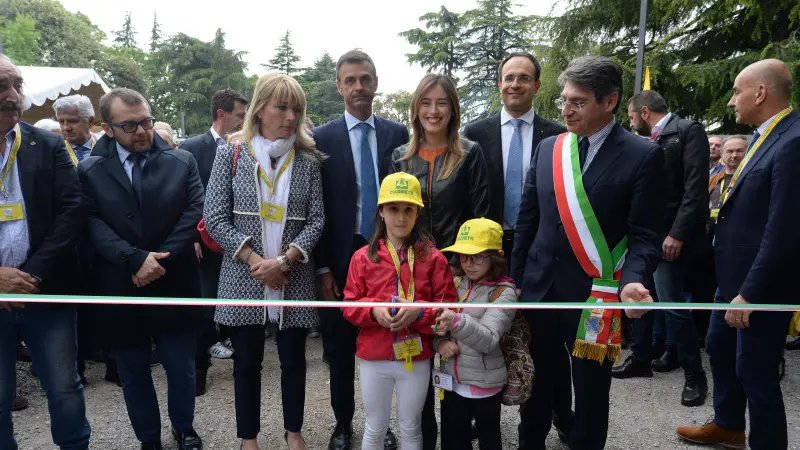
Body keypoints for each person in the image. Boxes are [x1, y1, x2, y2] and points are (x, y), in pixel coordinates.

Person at [512, 56, 664, 450]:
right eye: (564, 100)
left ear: (610, 100)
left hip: (596, 295)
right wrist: (513, 283)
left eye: (578, 102)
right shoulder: (549, 148)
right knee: (536, 387)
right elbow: (528, 221)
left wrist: (633, 280)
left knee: (592, 394)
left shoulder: (642, 155)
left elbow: (645, 235)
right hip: (541, 290)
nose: (565, 109)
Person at [676, 59, 799, 450]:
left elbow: (784, 230)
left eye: (736, 92)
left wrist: (751, 293)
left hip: (759, 286)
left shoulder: (794, 141)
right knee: (719, 347)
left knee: (756, 372)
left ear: (760, 92)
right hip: (731, 281)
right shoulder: (767, 136)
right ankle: (729, 426)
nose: (732, 102)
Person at [79, 87, 205, 450]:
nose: (142, 132)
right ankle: (148, 438)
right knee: (133, 371)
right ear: (108, 128)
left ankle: (184, 428)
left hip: (174, 280)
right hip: (121, 283)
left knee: (180, 367)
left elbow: (193, 211)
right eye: (130, 125)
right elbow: (90, 221)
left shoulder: (182, 162)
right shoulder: (89, 170)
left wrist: (157, 260)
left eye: (146, 122)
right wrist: (134, 258)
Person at [204, 74, 325, 450]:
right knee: (246, 364)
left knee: (294, 362)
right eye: (282, 107)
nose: (291, 116)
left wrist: (286, 260)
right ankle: (248, 439)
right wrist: (257, 260)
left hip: (294, 276)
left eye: (297, 109)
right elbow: (215, 217)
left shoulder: (306, 158)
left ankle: (294, 432)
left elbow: (318, 218)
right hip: (244, 274)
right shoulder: (231, 152)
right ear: (260, 108)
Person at [462, 51, 573, 445]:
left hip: (540, 249)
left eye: (524, 78)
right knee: (483, 331)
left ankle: (554, 417)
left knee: (543, 337)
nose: (515, 84)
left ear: (537, 86)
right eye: (508, 77)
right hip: (484, 248)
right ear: (499, 84)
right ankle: (482, 413)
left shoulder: (559, 135)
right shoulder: (474, 132)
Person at [312, 49, 409, 450]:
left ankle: (380, 425)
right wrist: (322, 269)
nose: (358, 87)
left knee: (383, 345)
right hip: (338, 253)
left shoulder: (398, 134)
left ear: (375, 82)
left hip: (387, 251)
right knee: (339, 348)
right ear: (339, 86)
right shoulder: (320, 138)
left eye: (365, 79)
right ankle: (342, 423)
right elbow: (312, 205)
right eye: (350, 80)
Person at [0, 56, 90, 450]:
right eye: (3, 86)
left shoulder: (47, 143)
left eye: (17, 85)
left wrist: (30, 274)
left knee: (64, 388)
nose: (13, 96)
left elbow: (72, 211)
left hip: (44, 292)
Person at [341, 171, 457, 450]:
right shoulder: (362, 257)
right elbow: (348, 304)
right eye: (393, 209)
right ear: (381, 210)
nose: (401, 217)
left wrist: (420, 313)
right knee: (375, 426)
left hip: (416, 356)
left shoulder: (434, 258)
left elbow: (449, 307)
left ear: (418, 213)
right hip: (373, 356)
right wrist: (372, 311)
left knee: (410, 426)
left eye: (408, 209)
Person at [615, 90, 709, 407]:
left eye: (629, 117)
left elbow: (695, 188)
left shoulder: (686, 131)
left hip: (672, 236)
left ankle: (696, 376)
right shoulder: (646, 141)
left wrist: (677, 233)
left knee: (672, 305)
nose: (629, 124)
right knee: (642, 295)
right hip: (647, 236)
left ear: (644, 111)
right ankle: (642, 358)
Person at [180, 89, 249, 395]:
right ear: (222, 114)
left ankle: (242, 366)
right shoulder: (193, 147)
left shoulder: (247, 146)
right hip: (205, 244)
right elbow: (186, 195)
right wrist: (193, 236)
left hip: (242, 245)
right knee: (206, 307)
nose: (245, 121)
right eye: (240, 115)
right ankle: (199, 370)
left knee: (236, 307)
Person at [433, 218, 517, 450]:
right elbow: (435, 323)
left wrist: (456, 321)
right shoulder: (455, 281)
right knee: (454, 439)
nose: (468, 264)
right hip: (453, 382)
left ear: (496, 255)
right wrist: (439, 342)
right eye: (463, 256)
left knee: (489, 439)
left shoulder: (504, 293)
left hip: (485, 385)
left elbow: (489, 339)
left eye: (477, 256)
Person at [391, 73, 490, 251]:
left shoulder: (470, 153)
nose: (434, 111)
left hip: (457, 266)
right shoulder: (401, 157)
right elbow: (391, 217)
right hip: (412, 263)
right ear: (416, 108)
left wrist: (459, 263)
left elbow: (480, 217)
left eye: (442, 103)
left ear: (452, 109)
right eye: (426, 103)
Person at [54, 95, 97, 163]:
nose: (66, 128)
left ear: (90, 121)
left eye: (72, 121)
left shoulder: (108, 147)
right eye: (61, 122)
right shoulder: (52, 152)